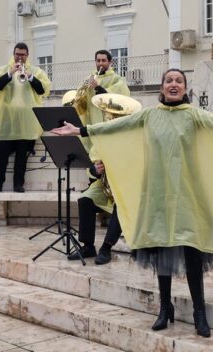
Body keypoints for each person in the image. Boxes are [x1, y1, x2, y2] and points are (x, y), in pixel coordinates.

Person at [51, 68, 213, 337]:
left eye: (179, 81)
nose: (174, 84)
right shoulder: (150, 115)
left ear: (185, 88)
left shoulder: (193, 114)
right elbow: (116, 126)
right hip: (157, 192)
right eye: (169, 81)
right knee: (161, 248)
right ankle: (164, 308)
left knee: (191, 249)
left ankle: (199, 311)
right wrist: (79, 130)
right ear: (162, 88)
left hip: (187, 193)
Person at [67, 50, 131, 265]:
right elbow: (84, 109)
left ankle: (106, 247)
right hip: (99, 151)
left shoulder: (118, 82)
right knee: (85, 199)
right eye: (98, 60)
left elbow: (117, 101)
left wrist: (97, 87)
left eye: (104, 60)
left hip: (122, 182)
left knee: (121, 205)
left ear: (110, 62)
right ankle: (88, 247)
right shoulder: (100, 133)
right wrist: (96, 170)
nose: (101, 63)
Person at [0, 42, 51, 193]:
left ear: (27, 56)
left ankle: (18, 184)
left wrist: (30, 77)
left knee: (22, 156)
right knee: (1, 155)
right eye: (17, 54)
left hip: (27, 121)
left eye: (22, 55)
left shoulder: (36, 71)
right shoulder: (3, 70)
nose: (19, 57)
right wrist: (10, 73)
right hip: (6, 120)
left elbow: (42, 90)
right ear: (13, 54)